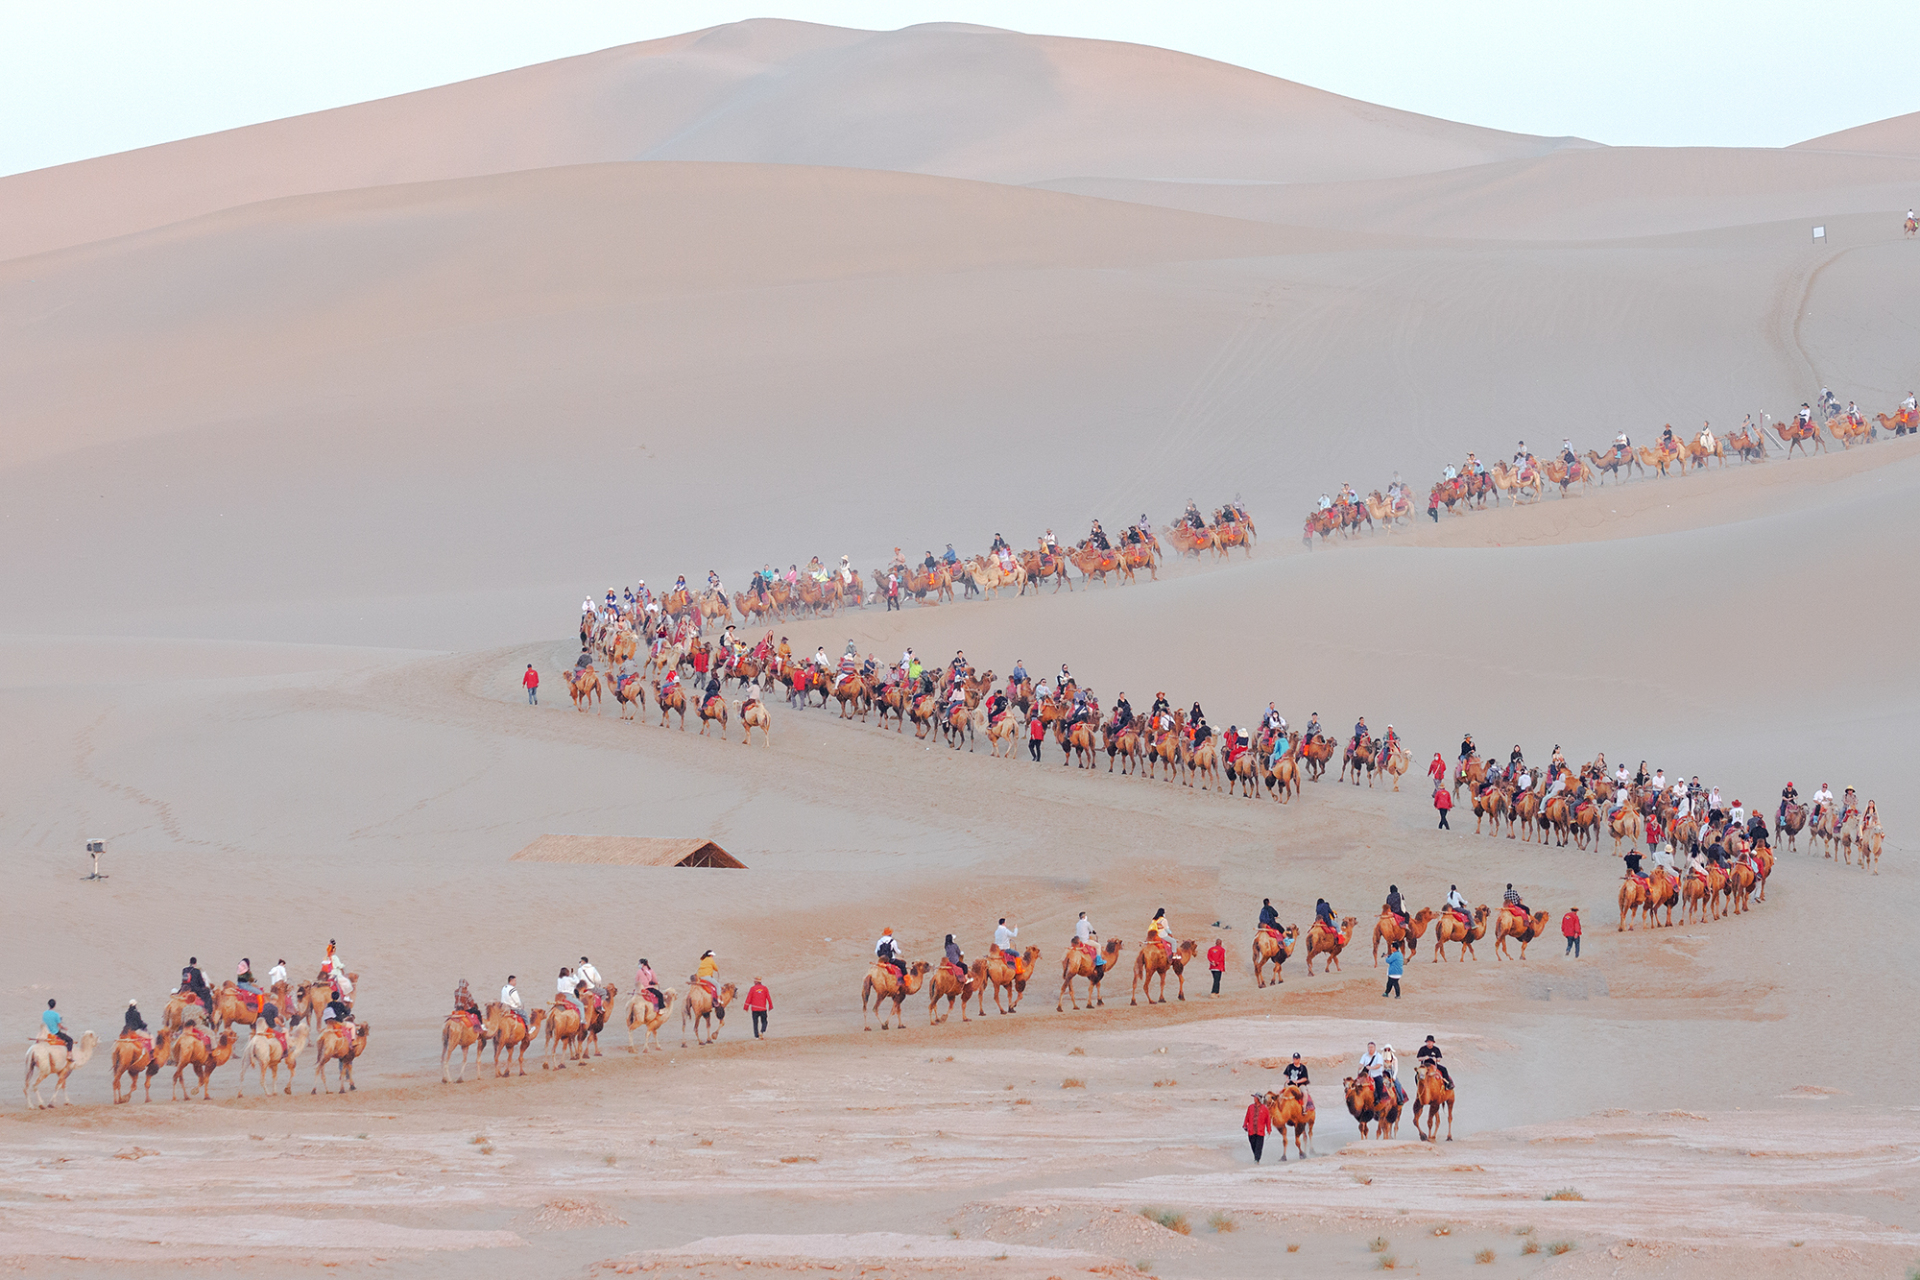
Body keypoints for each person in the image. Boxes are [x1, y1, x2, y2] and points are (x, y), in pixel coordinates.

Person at [1243, 1091, 1272, 1163]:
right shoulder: (1250, 1107)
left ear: (1258, 1099)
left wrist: (1269, 1129)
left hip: (1260, 1131)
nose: (1254, 1099)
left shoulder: (1264, 1109)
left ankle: (1257, 1159)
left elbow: (1267, 1120)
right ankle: (1256, 1157)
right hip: (1251, 1130)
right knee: (1253, 1145)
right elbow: (1247, 1117)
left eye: (1255, 1098)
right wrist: (1244, 1125)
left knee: (1259, 1146)